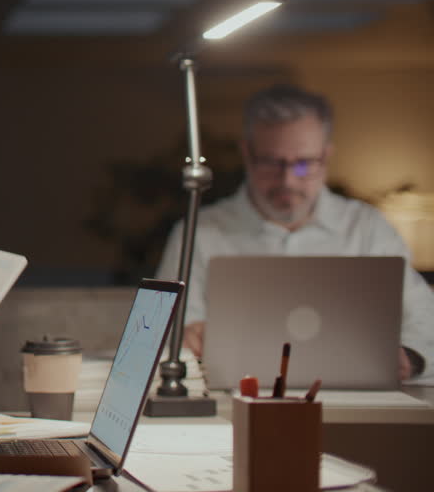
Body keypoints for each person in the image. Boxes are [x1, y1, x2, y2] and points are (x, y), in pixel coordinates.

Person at [157, 83, 434, 380]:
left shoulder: (368, 229)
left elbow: (424, 322)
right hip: (233, 405)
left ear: (326, 157)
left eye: (304, 164)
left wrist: (410, 356)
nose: (287, 179)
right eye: (272, 162)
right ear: (247, 154)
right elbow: (161, 333)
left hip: (353, 405)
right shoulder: (198, 233)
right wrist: (185, 338)